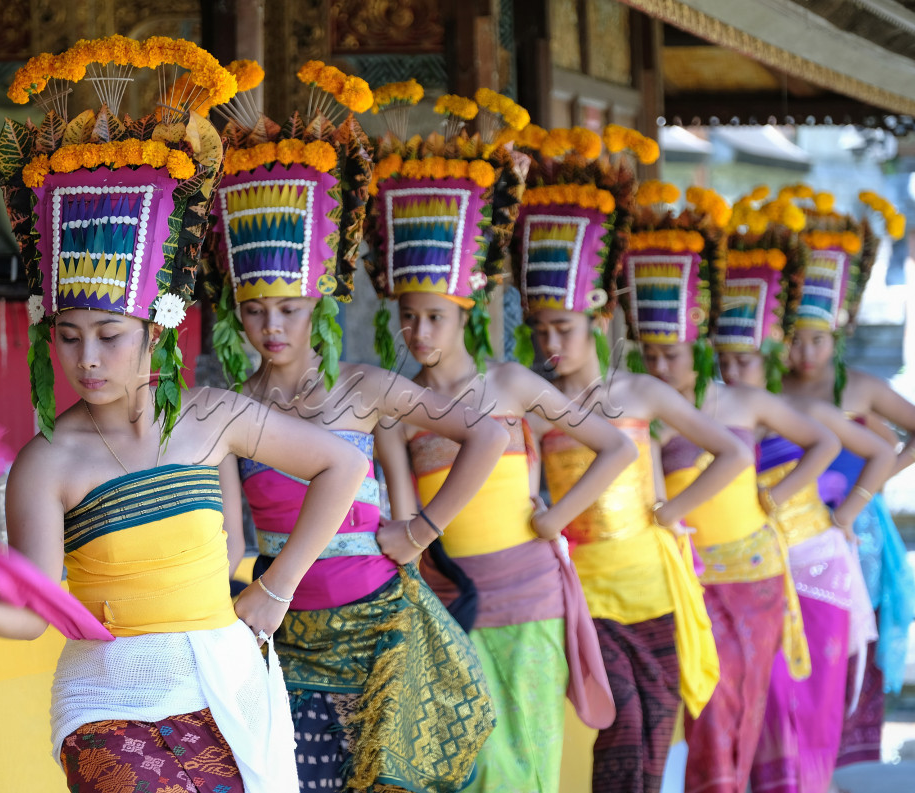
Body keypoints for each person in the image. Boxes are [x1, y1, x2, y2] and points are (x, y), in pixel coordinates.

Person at [0, 40, 372, 793]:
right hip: (106, 702)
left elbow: (344, 462)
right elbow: (32, 610)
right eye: (69, 337)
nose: (87, 359)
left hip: (224, 684)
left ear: (158, 330)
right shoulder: (46, 463)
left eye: (109, 336)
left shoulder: (212, 417)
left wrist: (275, 587)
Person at [203, 66, 505, 793]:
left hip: (385, 631)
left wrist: (422, 528)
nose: (272, 327)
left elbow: (488, 435)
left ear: (319, 304)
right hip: (289, 642)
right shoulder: (228, 412)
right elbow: (232, 544)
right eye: (254, 310)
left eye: (290, 309)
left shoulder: (361, 388)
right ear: (236, 312)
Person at [373, 120, 667, 793]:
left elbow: (616, 445)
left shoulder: (510, 385)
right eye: (409, 317)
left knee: (528, 759)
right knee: (476, 765)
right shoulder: (397, 409)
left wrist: (556, 515)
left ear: (464, 309)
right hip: (455, 599)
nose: (419, 331)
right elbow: (407, 518)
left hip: (533, 593)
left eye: (434, 317)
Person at [509, 149, 739, 793]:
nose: (550, 344)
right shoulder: (533, 405)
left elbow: (734, 453)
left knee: (653, 732)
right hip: (583, 589)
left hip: (653, 585)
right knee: (620, 723)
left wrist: (671, 510)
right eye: (540, 330)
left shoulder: (641, 393)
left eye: (563, 328)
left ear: (598, 317)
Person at [623, 186, 827, 793]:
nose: (659, 367)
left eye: (671, 354)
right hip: (685, 579)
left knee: (735, 711)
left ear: (697, 348)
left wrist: (776, 496)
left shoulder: (738, 401)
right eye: (650, 355)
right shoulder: (646, 415)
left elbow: (824, 443)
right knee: (699, 712)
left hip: (753, 573)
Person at [720, 187, 893, 793]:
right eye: (724, 358)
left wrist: (849, 512)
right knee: (762, 713)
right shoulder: (719, 410)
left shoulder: (808, 405)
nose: (731, 369)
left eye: (742, 359)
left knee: (812, 714)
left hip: (818, 563)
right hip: (752, 572)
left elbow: (881, 450)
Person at [777, 186, 915, 768]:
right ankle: (795, 759)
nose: (805, 351)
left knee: (845, 647)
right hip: (785, 528)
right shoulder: (768, 391)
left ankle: (831, 763)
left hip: (850, 528)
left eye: (817, 339)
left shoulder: (860, 387)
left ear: (837, 333)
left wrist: (866, 493)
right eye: (795, 339)